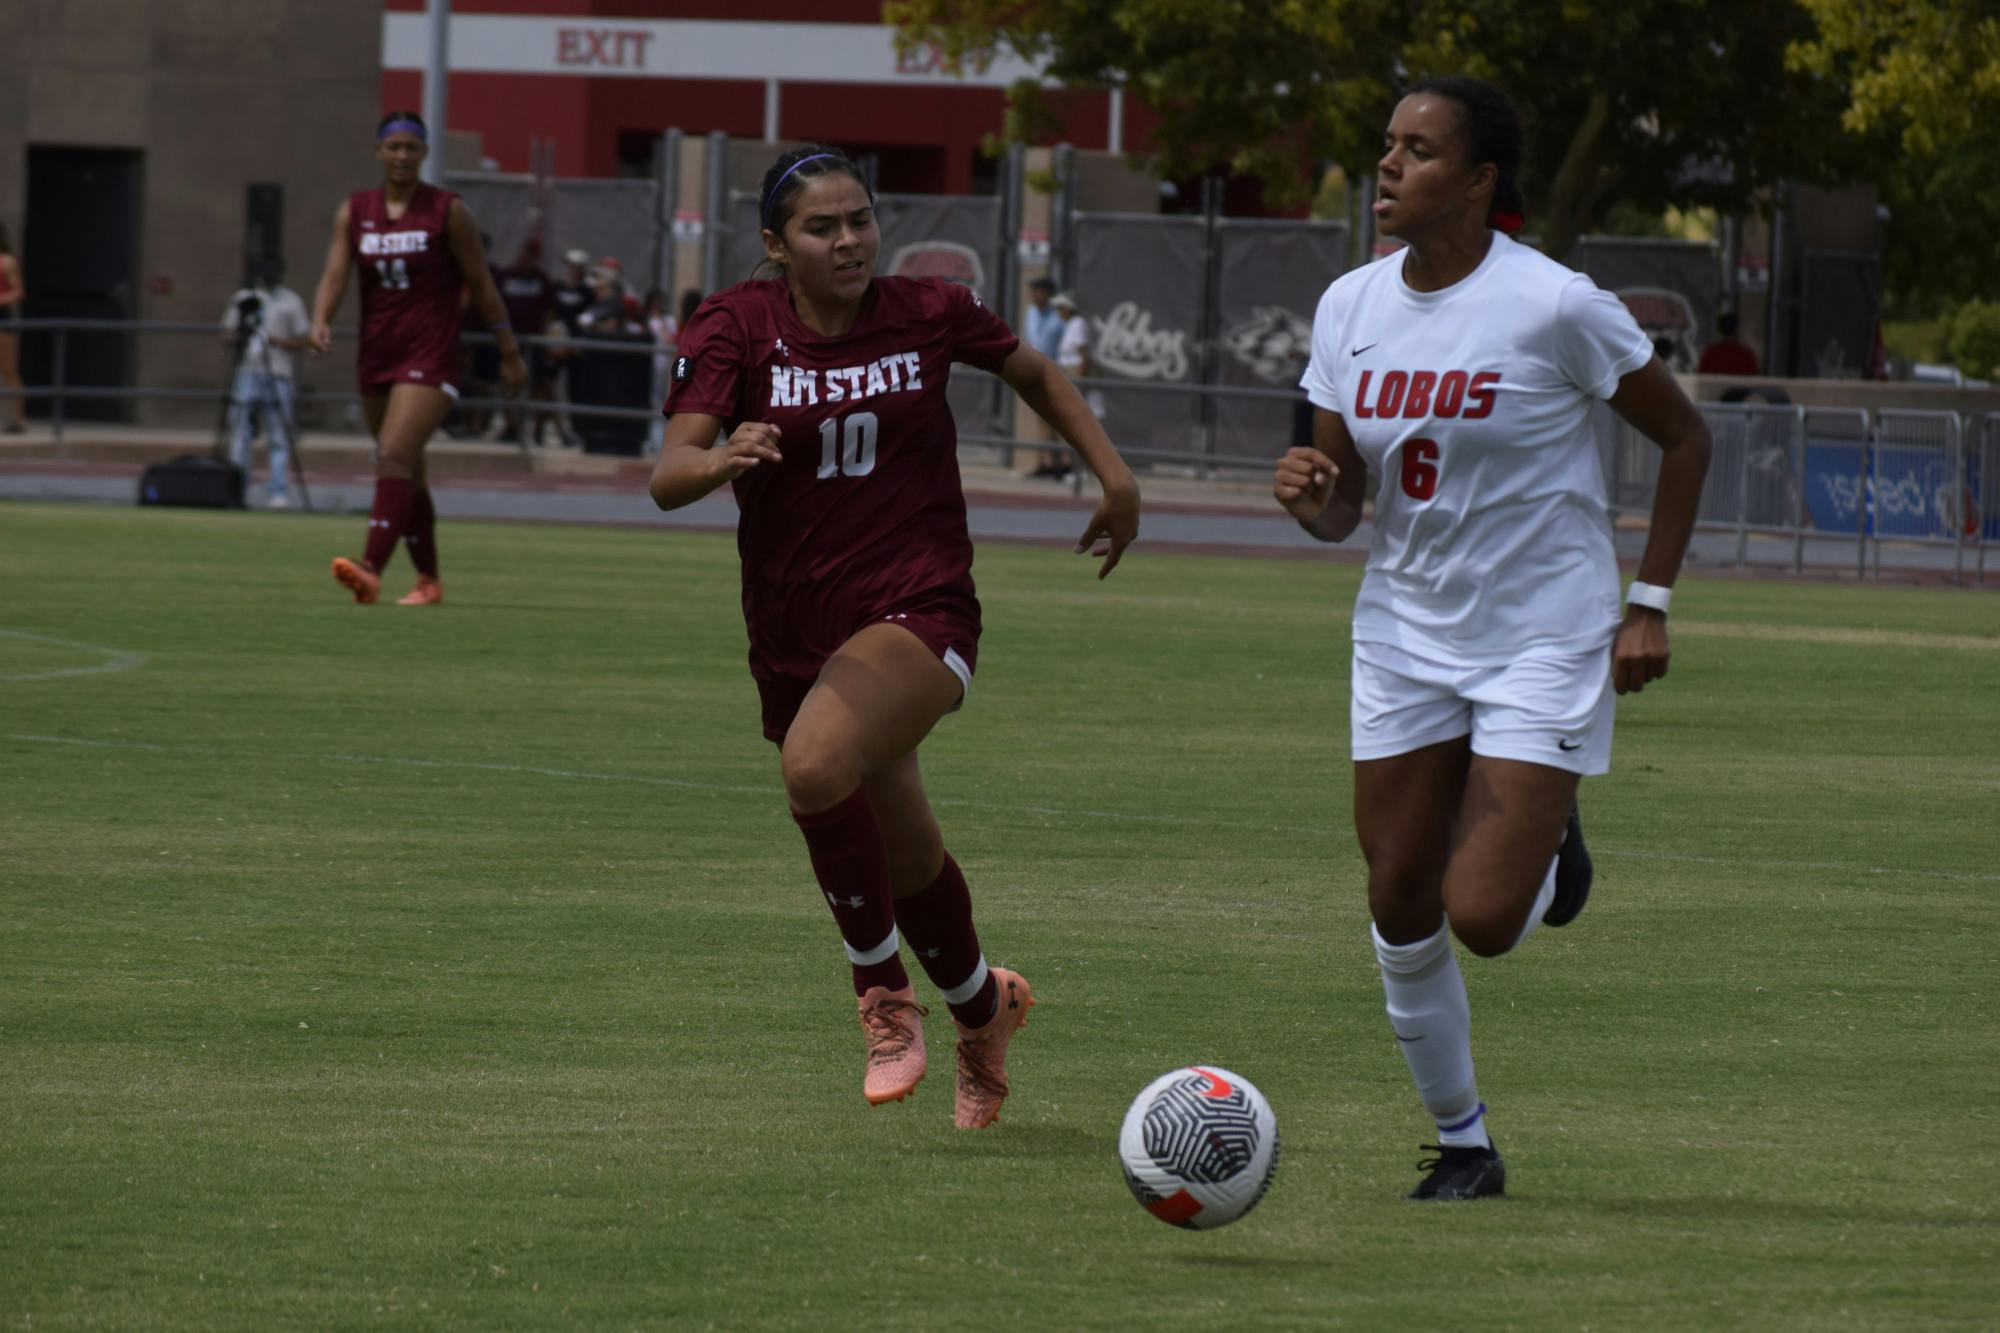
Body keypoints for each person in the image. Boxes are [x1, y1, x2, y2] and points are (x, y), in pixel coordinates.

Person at [1273, 76, 1711, 1201]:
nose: (1387, 167)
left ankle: (1545, 818)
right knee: (1396, 901)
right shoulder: (1347, 307)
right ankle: (1461, 1141)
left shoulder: (1553, 304)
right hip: (1404, 633)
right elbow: (1342, 507)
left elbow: (1682, 439)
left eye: (1417, 152)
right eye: (1385, 147)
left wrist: (1648, 599)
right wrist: (1308, 493)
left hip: (1542, 636)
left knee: (1482, 921)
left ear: (1476, 182)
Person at [648, 144, 1140, 1129]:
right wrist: (719, 461)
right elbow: (668, 472)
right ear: (774, 247)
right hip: (797, 629)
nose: (847, 240)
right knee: (904, 849)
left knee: (813, 765)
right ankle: (982, 1007)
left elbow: (1034, 373)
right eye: (821, 227)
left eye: (859, 220)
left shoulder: (923, 311)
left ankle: (882, 1000)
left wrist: (1114, 478)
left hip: (920, 606)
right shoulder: (738, 326)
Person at [308, 110, 525, 606]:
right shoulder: (356, 211)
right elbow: (335, 274)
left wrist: (509, 352)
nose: (402, 155)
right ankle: (428, 580)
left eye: (412, 147)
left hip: (431, 354)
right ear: (378, 152)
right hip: (376, 355)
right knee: (408, 470)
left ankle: (369, 570)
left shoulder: (447, 210)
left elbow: (482, 284)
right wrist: (320, 317)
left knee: (392, 456)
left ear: (424, 153)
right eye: (394, 147)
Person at [218, 258, 311, 508]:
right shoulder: (244, 298)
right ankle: (237, 486)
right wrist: (244, 335)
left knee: (279, 434)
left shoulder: (291, 301)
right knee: (240, 430)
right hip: (248, 369)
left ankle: (278, 490)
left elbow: (304, 338)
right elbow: (227, 333)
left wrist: (276, 341)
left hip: (279, 371)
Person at [495, 237, 559, 444]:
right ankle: (511, 427)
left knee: (540, 386)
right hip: (511, 341)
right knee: (509, 384)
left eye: (533, 255)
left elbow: (549, 311)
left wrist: (543, 338)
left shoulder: (542, 280)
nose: (527, 258)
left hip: (534, 343)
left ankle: (537, 429)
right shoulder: (506, 276)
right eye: (526, 253)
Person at [1018, 276, 1068, 476]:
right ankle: (1046, 463)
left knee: (1059, 419)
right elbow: (1032, 340)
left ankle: (1061, 463)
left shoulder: (1059, 315)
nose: (1033, 295)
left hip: (1055, 372)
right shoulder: (1031, 312)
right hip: (1034, 371)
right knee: (1043, 419)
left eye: (1037, 290)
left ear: (1047, 293)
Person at [0, 224, 25, 433]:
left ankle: (18, 418)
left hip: (3, 320)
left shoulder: (7, 262)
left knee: (7, 369)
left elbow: (18, 292)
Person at [1697, 311, 1761, 376]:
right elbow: (1754, 377)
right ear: (1736, 329)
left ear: (1720, 329)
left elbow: (1702, 376)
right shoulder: (1745, 353)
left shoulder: (1711, 352)